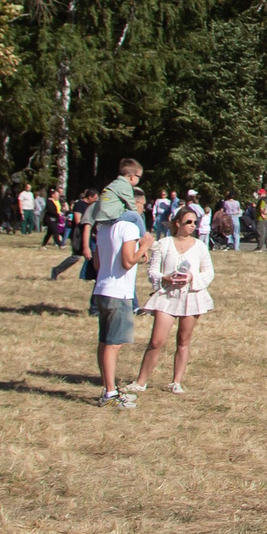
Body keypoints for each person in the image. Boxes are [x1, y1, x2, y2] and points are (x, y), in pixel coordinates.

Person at [129, 204, 216, 395]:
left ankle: (176, 381)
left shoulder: (200, 246)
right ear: (177, 223)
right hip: (167, 296)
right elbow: (152, 271)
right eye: (188, 222)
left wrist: (192, 278)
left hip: (191, 296)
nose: (192, 226)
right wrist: (165, 278)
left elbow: (209, 272)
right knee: (156, 341)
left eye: (195, 223)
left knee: (183, 340)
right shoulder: (164, 243)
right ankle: (141, 381)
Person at [89, 162, 150, 408]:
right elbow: (127, 262)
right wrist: (144, 246)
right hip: (118, 293)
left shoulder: (104, 229)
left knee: (104, 343)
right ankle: (111, 393)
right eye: (142, 206)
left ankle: (107, 388)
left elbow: (96, 262)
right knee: (113, 346)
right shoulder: (127, 227)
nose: (143, 210)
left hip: (102, 289)